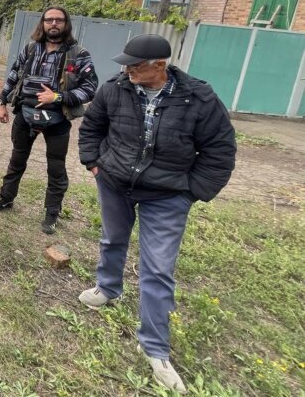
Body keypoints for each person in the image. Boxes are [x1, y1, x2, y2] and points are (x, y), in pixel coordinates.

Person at [77, 34, 236, 394]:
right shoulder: (115, 87)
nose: (127, 69)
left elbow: (220, 149)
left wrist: (193, 191)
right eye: (126, 63)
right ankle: (107, 287)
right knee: (112, 238)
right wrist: (93, 162)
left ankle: (155, 348)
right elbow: (92, 127)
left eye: (135, 65)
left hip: (167, 196)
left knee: (158, 268)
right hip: (116, 183)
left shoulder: (199, 98)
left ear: (159, 66)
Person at [0, 6, 98, 234]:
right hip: (25, 114)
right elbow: (14, 74)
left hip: (57, 118)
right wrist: (2, 103)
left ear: (66, 23)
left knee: (56, 167)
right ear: (43, 23)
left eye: (59, 20)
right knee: (17, 160)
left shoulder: (79, 53)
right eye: (49, 20)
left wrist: (58, 97)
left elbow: (90, 88)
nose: (54, 24)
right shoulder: (30, 48)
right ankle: (6, 198)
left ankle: (52, 213)